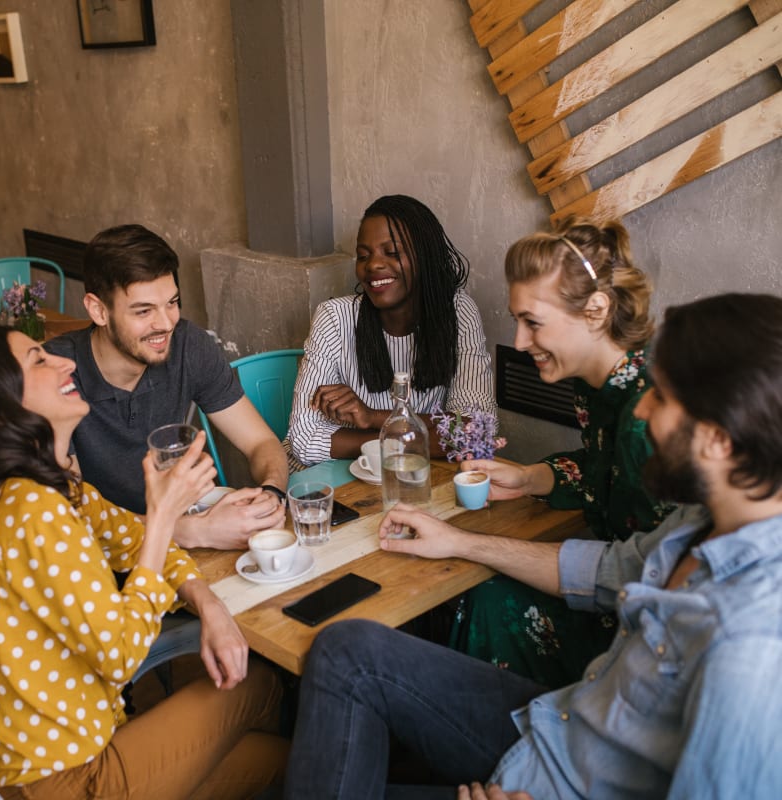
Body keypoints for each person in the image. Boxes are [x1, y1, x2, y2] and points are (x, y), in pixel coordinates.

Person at [285, 292, 782, 799]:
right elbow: (605, 569)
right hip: (557, 726)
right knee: (346, 648)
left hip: (559, 781)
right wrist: (461, 542)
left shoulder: (750, 648)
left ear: (719, 439)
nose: (644, 409)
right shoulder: (701, 520)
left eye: (664, 397)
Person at [0, 325, 289, 798]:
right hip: (77, 779)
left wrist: (210, 605)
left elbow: (130, 537)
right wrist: (164, 513)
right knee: (259, 687)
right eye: (39, 361)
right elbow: (120, 654)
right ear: (1, 411)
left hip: (91, 747)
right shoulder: (31, 511)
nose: (67, 363)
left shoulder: (53, 490)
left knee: (286, 762)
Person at [446, 217, 676, 688]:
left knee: (485, 598)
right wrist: (532, 477)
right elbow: (600, 468)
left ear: (596, 310)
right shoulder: (599, 384)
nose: (518, 342)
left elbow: (654, 576)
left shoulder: (648, 416)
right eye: (517, 320)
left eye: (532, 322)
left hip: (647, 639)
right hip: (614, 584)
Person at [44, 224, 288, 550]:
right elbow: (71, 516)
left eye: (172, 303)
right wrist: (194, 531)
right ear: (98, 310)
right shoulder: (57, 375)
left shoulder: (188, 344)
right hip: (102, 563)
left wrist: (271, 495)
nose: (165, 323)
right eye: (144, 311)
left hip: (187, 544)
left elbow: (260, 441)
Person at [286, 194, 495, 468]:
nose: (373, 265)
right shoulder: (334, 318)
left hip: (408, 476)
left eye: (392, 253)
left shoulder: (458, 312)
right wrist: (414, 437)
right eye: (363, 255)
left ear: (425, 257)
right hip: (328, 480)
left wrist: (371, 417)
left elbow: (476, 432)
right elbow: (304, 440)